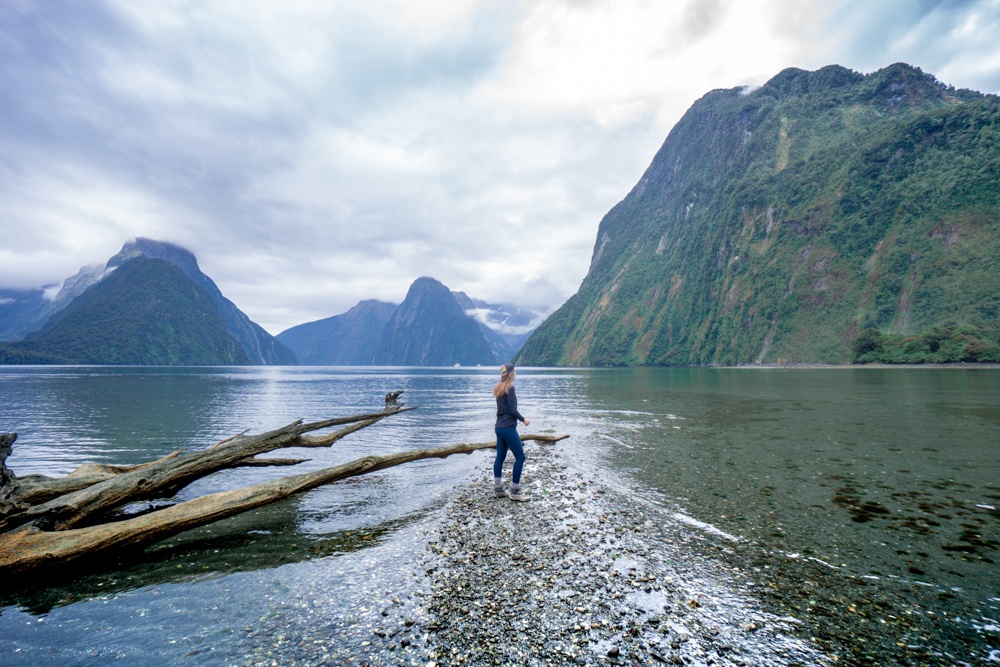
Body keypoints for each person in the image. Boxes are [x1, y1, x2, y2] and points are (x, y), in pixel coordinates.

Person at [493, 363, 530, 501]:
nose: (515, 373)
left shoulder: (499, 388)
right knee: (520, 457)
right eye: (514, 371)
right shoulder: (510, 388)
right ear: (510, 373)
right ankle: (515, 492)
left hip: (499, 427)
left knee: (500, 458)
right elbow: (512, 410)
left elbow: (501, 410)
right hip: (508, 427)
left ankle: (498, 489)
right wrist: (524, 420)